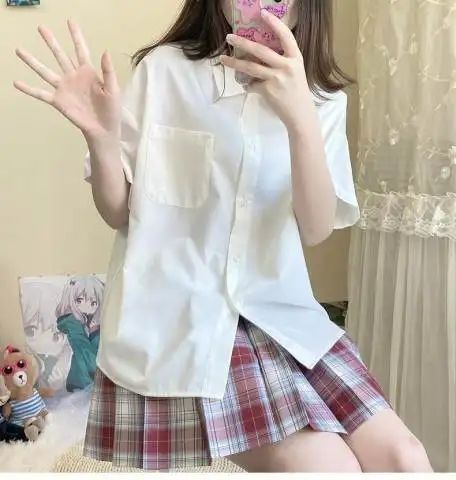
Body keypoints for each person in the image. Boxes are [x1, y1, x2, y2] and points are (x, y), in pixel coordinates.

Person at [13, 0, 433, 472]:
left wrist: (300, 118)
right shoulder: (164, 71)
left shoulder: (322, 97)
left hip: (281, 317)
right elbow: (118, 211)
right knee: (326, 465)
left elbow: (315, 228)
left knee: (406, 458)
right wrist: (101, 139)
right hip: (183, 324)